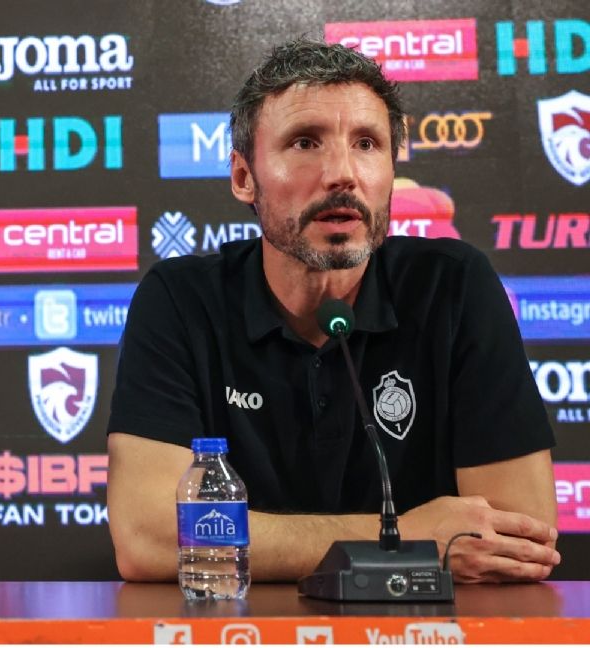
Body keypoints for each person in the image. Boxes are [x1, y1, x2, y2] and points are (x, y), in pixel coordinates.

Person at [107, 40, 560, 584]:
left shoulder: (455, 286)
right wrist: (405, 539)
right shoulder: (179, 300)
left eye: (367, 144)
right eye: (305, 142)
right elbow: (147, 537)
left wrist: (257, 544)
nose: (342, 174)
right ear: (244, 177)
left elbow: (520, 539)